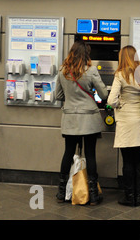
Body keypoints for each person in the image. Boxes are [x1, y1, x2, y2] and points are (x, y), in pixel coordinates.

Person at [55, 40, 108, 205]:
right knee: (90, 154)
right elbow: (104, 94)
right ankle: (92, 195)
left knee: (68, 153)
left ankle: (62, 192)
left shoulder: (62, 71)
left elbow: (58, 96)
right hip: (89, 119)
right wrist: (90, 93)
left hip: (70, 118)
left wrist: (71, 98)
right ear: (86, 54)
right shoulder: (91, 71)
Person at [107, 45, 140, 207]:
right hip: (139, 120)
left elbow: (111, 101)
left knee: (127, 161)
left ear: (122, 57)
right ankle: (138, 196)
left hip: (126, 121)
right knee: (137, 160)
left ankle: (129, 196)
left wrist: (121, 103)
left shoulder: (120, 75)